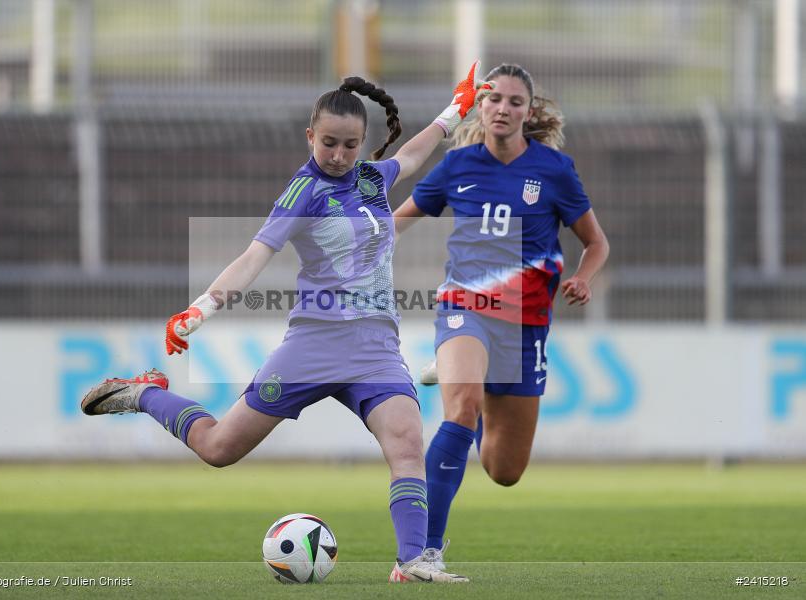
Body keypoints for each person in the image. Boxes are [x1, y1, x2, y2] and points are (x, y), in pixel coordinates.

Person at [80, 65, 490, 583]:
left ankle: (412, 561)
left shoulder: (369, 176)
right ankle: (143, 393)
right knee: (218, 449)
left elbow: (409, 157)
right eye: (328, 144)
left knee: (407, 443)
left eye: (349, 145)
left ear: (363, 144)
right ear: (310, 137)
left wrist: (455, 111)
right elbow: (254, 257)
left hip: (375, 349)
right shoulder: (302, 194)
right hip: (313, 346)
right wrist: (199, 309)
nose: (338, 156)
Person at [393, 63, 610, 568]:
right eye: (493, 99)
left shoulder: (555, 170)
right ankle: (421, 553)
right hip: (464, 307)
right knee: (461, 408)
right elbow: (398, 223)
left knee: (504, 470)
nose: (503, 108)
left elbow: (596, 242)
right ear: (480, 106)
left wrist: (583, 278)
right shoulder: (457, 165)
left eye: (515, 101)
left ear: (528, 112)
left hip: (524, 323)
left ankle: (480, 382)